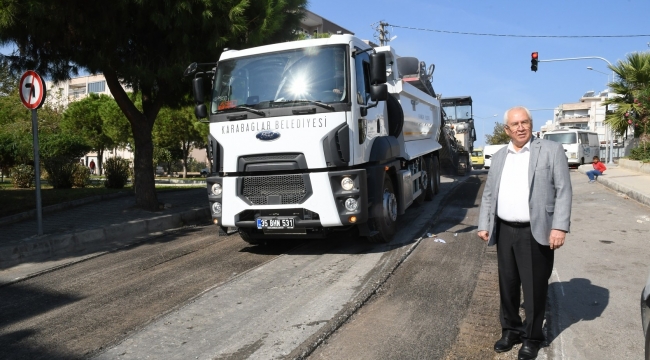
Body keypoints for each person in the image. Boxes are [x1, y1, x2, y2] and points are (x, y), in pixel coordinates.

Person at [477, 106, 572, 360]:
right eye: (515, 124)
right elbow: (489, 194)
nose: (520, 127)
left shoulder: (550, 151)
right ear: (507, 129)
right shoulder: (499, 157)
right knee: (507, 286)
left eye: (525, 122)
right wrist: (484, 224)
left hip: (536, 231)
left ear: (531, 124)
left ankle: (532, 337)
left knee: (533, 288)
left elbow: (563, 190)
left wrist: (559, 226)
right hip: (506, 229)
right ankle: (510, 330)